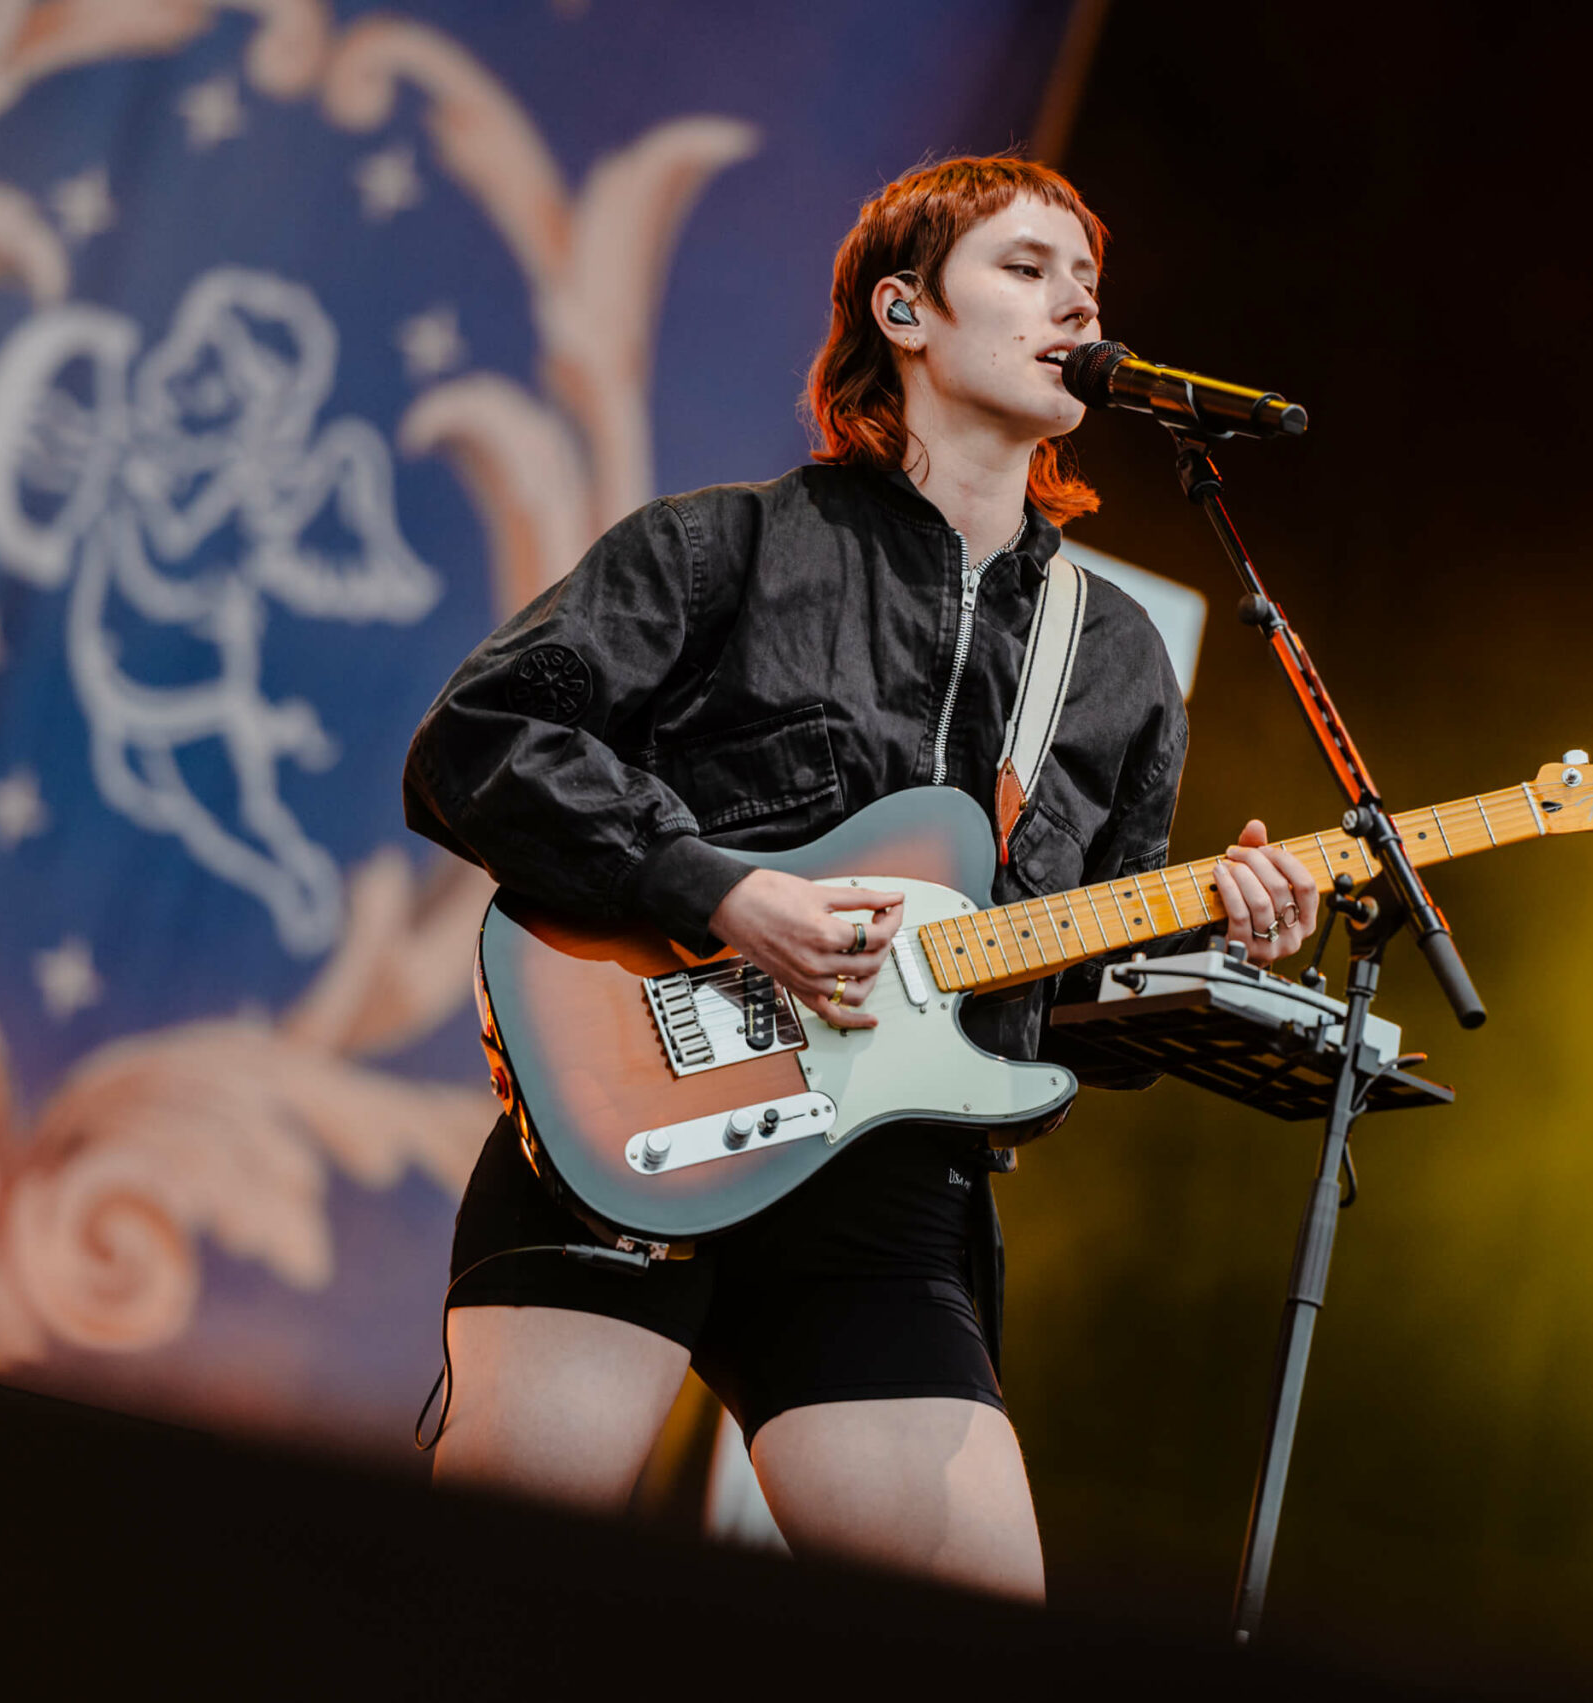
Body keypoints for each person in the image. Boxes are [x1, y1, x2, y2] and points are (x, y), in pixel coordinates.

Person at [401, 154, 1320, 1601]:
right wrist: (720, 888)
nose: (1074, 296)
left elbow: (1062, 994)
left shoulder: (1117, 654)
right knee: (483, 1603)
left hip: (889, 1200)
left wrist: (1222, 946)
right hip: (637, 1130)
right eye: (1026, 267)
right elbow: (478, 739)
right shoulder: (728, 544)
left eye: (1086, 278)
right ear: (905, 310)